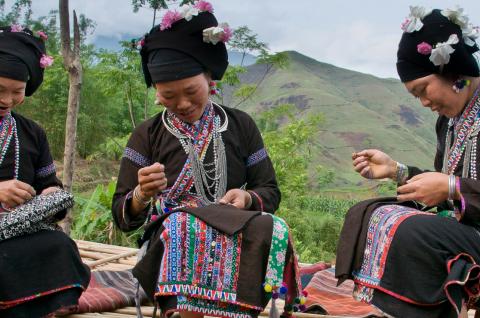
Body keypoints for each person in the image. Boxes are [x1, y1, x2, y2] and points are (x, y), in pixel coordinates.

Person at [111, 2, 303, 318]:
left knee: (273, 225)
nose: (182, 104)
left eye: (190, 91)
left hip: (232, 223)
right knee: (185, 223)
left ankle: (242, 308)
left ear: (209, 78)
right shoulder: (147, 134)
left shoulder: (241, 125)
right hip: (173, 232)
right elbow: (123, 216)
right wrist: (142, 195)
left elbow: (269, 191)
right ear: (156, 92)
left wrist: (246, 197)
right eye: (168, 97)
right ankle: (184, 310)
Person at [335, 7, 480, 318]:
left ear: (454, 72)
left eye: (422, 90)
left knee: (409, 231)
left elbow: (451, 186)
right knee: (371, 213)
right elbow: (444, 184)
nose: (424, 103)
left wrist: (453, 187)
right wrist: (397, 171)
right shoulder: (450, 122)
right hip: (465, 230)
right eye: (416, 97)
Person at [0, 25, 90, 317]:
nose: (7, 100)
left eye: (17, 92)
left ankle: (49, 304)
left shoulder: (31, 132)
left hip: (19, 229)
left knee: (58, 245)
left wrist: (52, 195)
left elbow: (48, 182)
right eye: (0, 89)